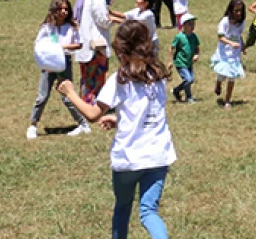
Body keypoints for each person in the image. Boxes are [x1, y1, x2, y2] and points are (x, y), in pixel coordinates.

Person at [63, 21, 178, 235]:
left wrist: (70, 93)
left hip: (129, 157)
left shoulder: (120, 78)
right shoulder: (158, 75)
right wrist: (119, 119)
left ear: (121, 48)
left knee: (123, 208)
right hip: (158, 156)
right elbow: (149, 111)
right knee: (149, 211)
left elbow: (92, 113)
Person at [27, 0, 90, 139]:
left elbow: (79, 44)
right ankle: (33, 125)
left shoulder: (72, 26)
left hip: (64, 62)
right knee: (42, 96)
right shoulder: (47, 27)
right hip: (49, 62)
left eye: (66, 9)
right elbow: (38, 43)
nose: (63, 12)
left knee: (68, 96)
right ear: (54, 10)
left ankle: (83, 124)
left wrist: (63, 47)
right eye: (60, 9)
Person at [73, 0, 115, 111]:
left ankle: (85, 102)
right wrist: (112, 20)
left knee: (86, 77)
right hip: (96, 45)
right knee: (96, 76)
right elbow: (102, 21)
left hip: (84, 43)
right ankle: (93, 106)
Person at [211, 0, 247, 109]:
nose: (238, 13)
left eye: (240, 11)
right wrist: (231, 43)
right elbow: (220, 37)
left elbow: (239, 35)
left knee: (232, 77)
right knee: (222, 75)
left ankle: (227, 100)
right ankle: (218, 84)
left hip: (234, 56)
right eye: (236, 11)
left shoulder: (241, 24)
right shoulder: (225, 22)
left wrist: (243, 46)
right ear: (231, 10)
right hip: (224, 54)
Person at [171, 13, 200, 103]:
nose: (192, 26)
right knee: (188, 79)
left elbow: (197, 48)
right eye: (189, 24)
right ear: (183, 25)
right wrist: (170, 61)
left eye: (193, 24)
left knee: (190, 80)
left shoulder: (194, 36)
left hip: (189, 62)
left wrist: (196, 54)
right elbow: (172, 48)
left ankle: (182, 93)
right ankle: (185, 95)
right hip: (180, 62)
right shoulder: (179, 36)